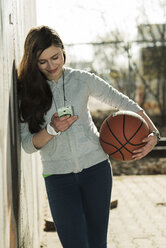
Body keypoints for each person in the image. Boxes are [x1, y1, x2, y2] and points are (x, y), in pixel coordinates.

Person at [17, 25, 160, 248]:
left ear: (63, 51)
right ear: (32, 61)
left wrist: (153, 132)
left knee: (96, 243)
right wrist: (52, 130)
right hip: (58, 177)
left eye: (55, 57)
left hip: (96, 170)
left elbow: (124, 102)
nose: (51, 65)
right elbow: (27, 145)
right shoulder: (25, 92)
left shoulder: (82, 80)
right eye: (42, 61)